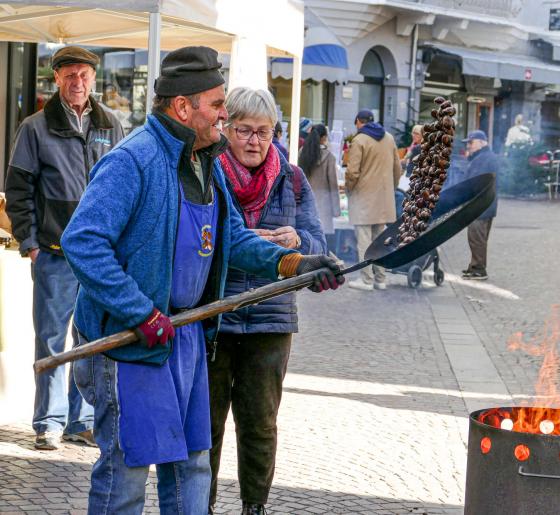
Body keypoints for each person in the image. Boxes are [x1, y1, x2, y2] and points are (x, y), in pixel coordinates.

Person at [61, 46, 343, 514]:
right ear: (182, 106)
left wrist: (296, 265)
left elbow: (232, 238)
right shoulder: (133, 162)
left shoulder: (204, 163)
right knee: (126, 473)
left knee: (193, 465)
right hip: (130, 340)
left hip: (186, 336)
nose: (224, 115)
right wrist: (140, 310)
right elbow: (83, 243)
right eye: (216, 105)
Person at [209, 88, 330, 515]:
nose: (255, 140)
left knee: (260, 424)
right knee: (207, 426)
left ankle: (253, 507)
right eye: (244, 130)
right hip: (216, 319)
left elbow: (318, 242)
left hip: (271, 321)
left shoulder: (292, 179)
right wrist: (239, 244)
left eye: (264, 131)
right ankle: (198, 504)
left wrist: (299, 240)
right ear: (226, 129)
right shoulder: (208, 174)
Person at [5, 46, 125, 450]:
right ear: (56, 78)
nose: (78, 82)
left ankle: (82, 419)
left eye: (84, 74)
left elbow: (124, 186)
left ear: (94, 78)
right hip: (54, 252)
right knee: (52, 339)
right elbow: (19, 189)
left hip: (100, 254)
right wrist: (31, 243)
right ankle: (49, 422)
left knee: (90, 338)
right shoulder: (35, 127)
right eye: (69, 75)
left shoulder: (111, 124)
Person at [345, 109, 402, 291]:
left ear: (358, 122)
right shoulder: (389, 138)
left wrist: (349, 190)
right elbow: (397, 168)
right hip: (383, 199)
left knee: (364, 240)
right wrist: (390, 189)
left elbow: (352, 172)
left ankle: (366, 279)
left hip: (363, 198)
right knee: (380, 240)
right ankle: (381, 279)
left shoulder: (359, 140)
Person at [461, 130, 499, 281]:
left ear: (482, 143)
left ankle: (478, 270)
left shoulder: (483, 159)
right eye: (468, 143)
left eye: (471, 142)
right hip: (486, 205)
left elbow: (474, 183)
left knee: (476, 238)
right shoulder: (484, 157)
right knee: (479, 238)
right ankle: (474, 266)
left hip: (480, 206)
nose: (468, 146)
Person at [299, 123, 341, 244]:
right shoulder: (329, 157)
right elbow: (333, 185)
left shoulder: (302, 153)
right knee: (323, 243)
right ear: (324, 138)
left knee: (307, 242)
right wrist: (336, 210)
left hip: (305, 204)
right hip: (324, 206)